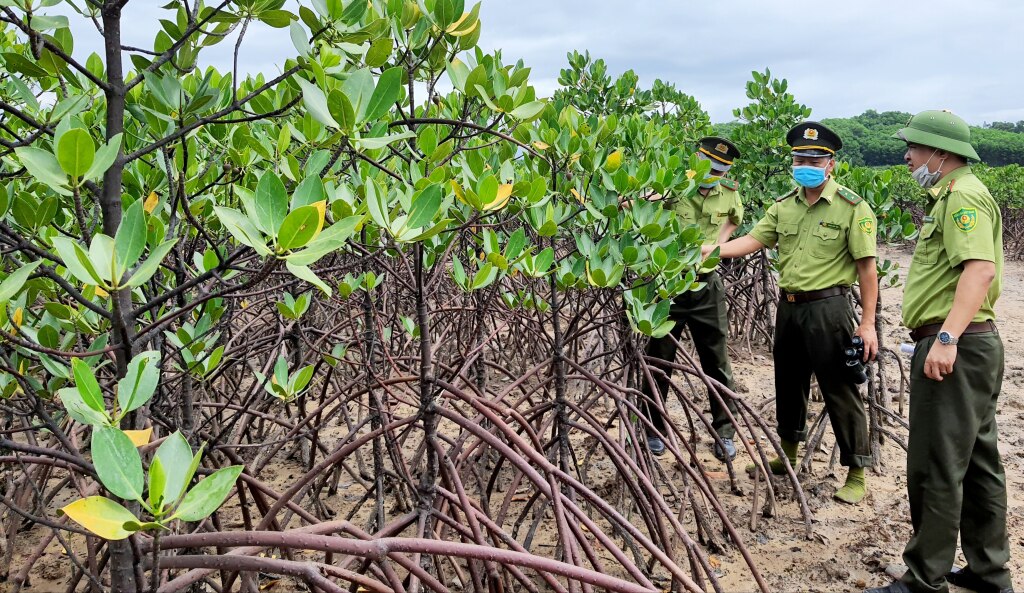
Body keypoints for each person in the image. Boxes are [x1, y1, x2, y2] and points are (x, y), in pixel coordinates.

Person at [866, 111, 1013, 593]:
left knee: (936, 464)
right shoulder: (956, 195)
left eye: (913, 147)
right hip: (973, 344)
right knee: (979, 462)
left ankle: (923, 579)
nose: (907, 156)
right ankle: (988, 572)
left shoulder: (963, 196)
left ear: (939, 153)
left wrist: (946, 338)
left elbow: (979, 272)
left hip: (958, 344)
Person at [701, 121, 878, 504]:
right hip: (790, 307)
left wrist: (867, 324)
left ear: (830, 164)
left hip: (830, 308)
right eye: (799, 158)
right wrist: (708, 251)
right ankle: (788, 456)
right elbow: (752, 240)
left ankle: (857, 471)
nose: (806, 164)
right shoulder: (783, 206)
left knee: (840, 388)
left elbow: (867, 268)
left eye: (814, 158)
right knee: (788, 382)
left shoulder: (852, 207)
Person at [642, 136, 744, 460]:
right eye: (709, 166)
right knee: (659, 357)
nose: (713, 173)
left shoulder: (730, 192)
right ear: (697, 160)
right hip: (668, 286)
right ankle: (651, 427)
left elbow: (735, 217)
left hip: (706, 286)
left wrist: (718, 244)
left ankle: (724, 433)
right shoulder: (675, 187)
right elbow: (639, 206)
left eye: (720, 169)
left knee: (716, 360)